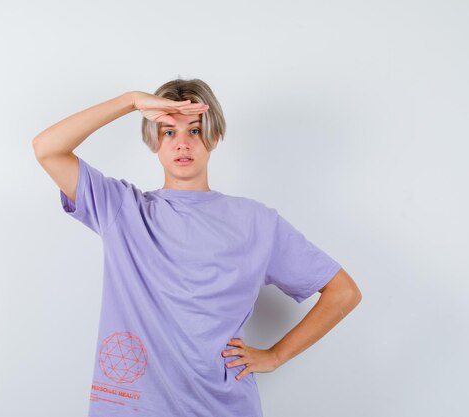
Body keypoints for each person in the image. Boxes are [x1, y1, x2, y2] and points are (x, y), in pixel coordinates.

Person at [32, 78, 362, 417]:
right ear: (154, 142)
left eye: (194, 130)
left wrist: (275, 356)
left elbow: (342, 292)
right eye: (169, 132)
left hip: (222, 407)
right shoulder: (122, 210)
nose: (182, 144)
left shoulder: (255, 222)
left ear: (214, 137)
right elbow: (47, 148)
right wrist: (131, 101)